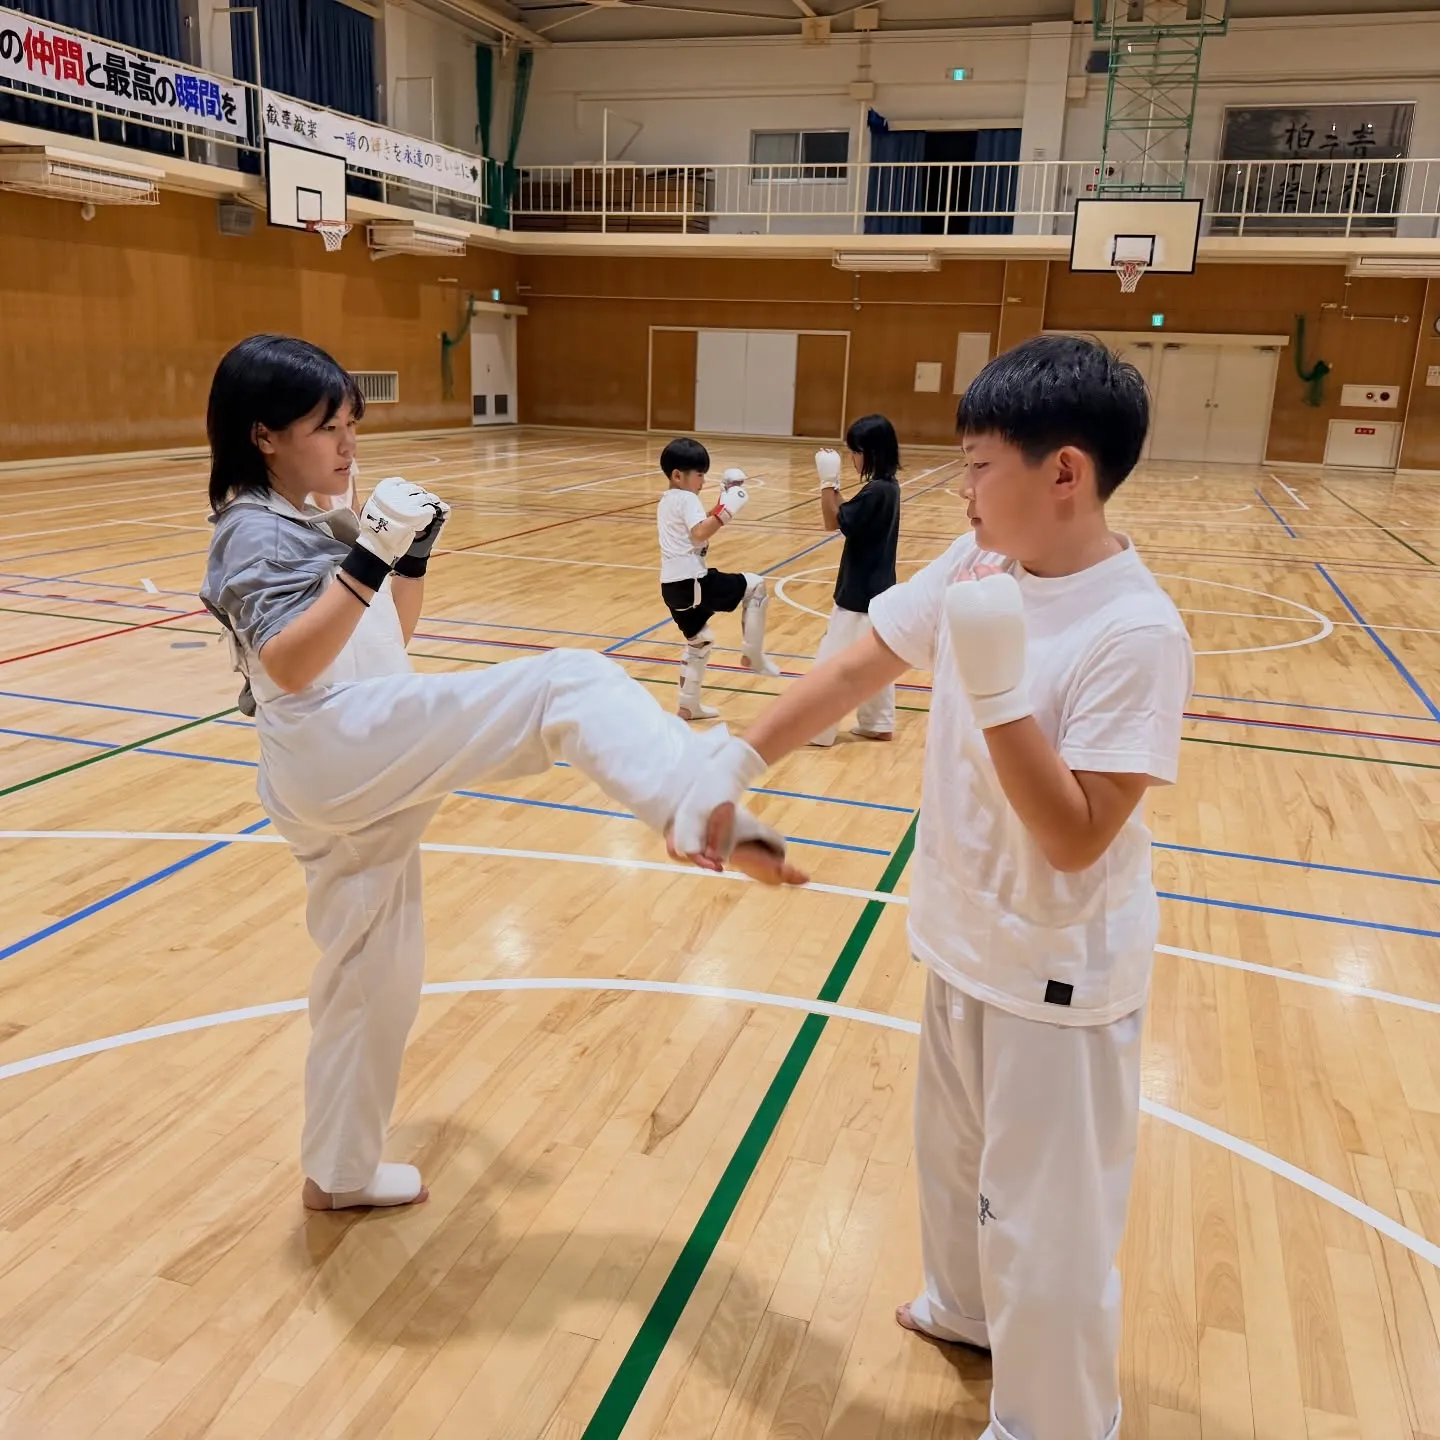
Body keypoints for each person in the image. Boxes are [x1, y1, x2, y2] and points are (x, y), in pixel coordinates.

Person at [668, 334, 1194, 1440]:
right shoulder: (979, 568)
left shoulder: (1135, 630)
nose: (962, 495)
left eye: (979, 468)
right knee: (953, 1164)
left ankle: (1052, 1423)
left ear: (1064, 474)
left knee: (1048, 1225)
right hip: (963, 934)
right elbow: (861, 664)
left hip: (1057, 973)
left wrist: (1000, 695)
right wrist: (734, 762)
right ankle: (964, 1309)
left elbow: (1077, 837)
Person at [199, 335, 805, 1213]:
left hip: (356, 754)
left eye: (351, 426)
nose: (348, 446)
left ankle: (339, 1170)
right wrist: (371, 552)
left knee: (377, 979)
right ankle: (690, 805)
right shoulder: (248, 528)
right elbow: (293, 664)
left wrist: (406, 557)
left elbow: (382, 636)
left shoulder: (310, 512)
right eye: (329, 428)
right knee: (565, 682)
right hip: (335, 741)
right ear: (263, 435)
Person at [655, 437, 780, 722]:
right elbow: (700, 532)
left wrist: (724, 498)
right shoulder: (686, 498)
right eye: (699, 474)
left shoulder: (669, 500)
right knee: (756, 586)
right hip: (693, 581)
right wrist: (727, 510)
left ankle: (688, 706)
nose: (702, 480)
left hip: (673, 588)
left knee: (699, 641)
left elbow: (696, 525)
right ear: (678, 475)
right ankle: (753, 655)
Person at [810, 414, 902, 746]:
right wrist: (833, 485)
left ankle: (816, 728)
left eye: (855, 451)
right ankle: (878, 722)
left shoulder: (876, 491)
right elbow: (845, 516)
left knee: (832, 662)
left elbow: (831, 521)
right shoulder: (887, 488)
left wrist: (825, 483)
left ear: (870, 451)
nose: (853, 458)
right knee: (875, 663)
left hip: (858, 593)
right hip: (878, 590)